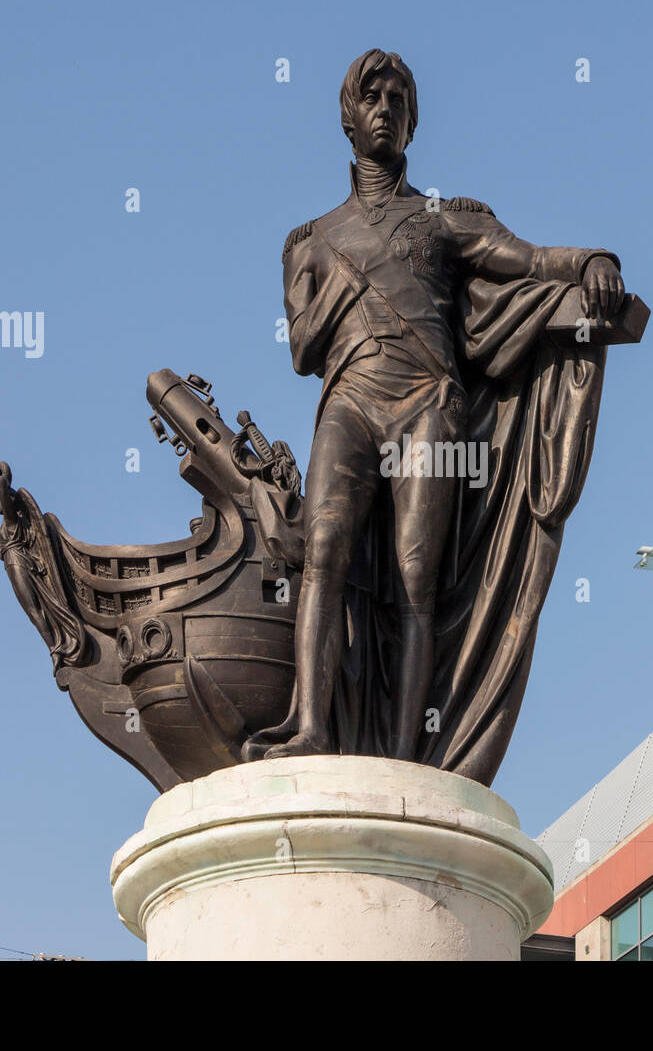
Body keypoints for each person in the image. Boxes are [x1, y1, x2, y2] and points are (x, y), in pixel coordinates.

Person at [243, 49, 625, 768]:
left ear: (412, 124)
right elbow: (301, 349)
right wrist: (347, 271)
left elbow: (533, 260)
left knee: (418, 576)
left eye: (398, 100)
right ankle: (312, 728)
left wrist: (592, 260)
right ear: (348, 119)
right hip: (350, 399)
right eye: (373, 98)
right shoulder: (308, 241)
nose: (385, 109)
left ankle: (401, 751)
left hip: (428, 405)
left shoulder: (444, 220)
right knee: (322, 551)